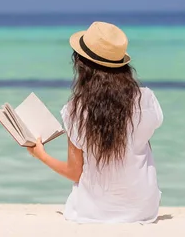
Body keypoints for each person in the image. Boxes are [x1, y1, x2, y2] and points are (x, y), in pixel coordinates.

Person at [27, 21, 163, 223]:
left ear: (81, 65)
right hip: (143, 210)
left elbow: (75, 173)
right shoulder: (147, 99)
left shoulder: (76, 109)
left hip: (92, 213)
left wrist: (41, 155)